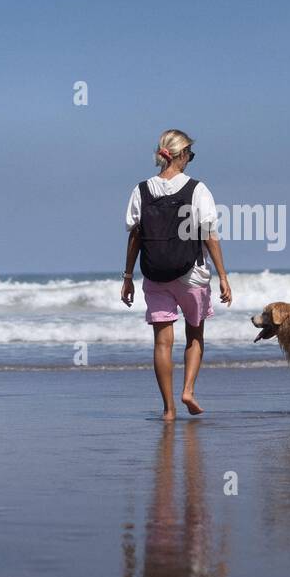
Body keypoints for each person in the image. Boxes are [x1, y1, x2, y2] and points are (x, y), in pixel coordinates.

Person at [122, 129, 232, 421]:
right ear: (181, 155)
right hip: (191, 274)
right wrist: (222, 275)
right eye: (190, 155)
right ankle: (188, 391)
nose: (190, 161)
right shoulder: (197, 189)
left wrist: (127, 276)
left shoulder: (141, 190)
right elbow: (210, 234)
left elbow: (135, 236)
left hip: (155, 275)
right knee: (194, 334)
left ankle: (169, 410)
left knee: (162, 342)